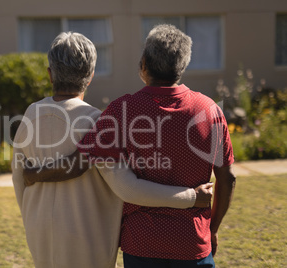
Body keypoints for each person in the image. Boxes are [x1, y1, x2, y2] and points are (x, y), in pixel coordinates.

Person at [25, 25, 236, 267]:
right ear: (182, 66)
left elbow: (77, 164)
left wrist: (35, 173)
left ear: (143, 63)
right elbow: (227, 178)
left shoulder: (123, 110)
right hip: (194, 244)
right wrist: (213, 228)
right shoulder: (210, 110)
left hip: (142, 245)